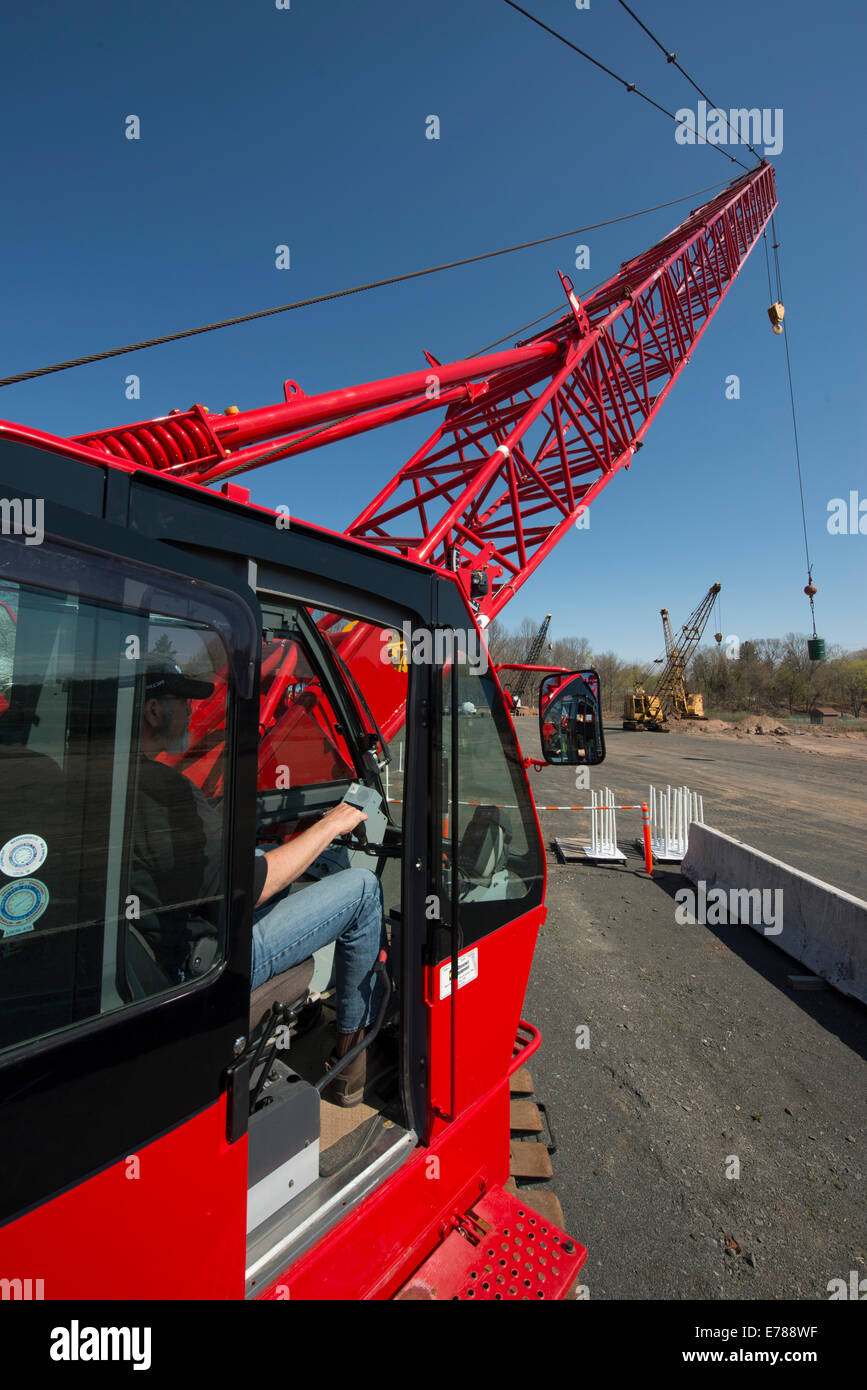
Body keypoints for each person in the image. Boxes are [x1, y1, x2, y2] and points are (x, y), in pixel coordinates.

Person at [133, 659, 388, 1105]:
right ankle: (350, 1066)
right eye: (182, 702)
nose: (192, 712)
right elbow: (250, 887)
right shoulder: (166, 792)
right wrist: (329, 826)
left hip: (154, 955)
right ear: (153, 711)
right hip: (205, 965)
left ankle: (298, 1016)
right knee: (364, 892)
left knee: (260, 854)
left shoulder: (115, 781)